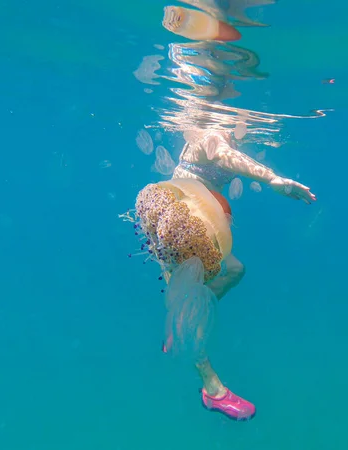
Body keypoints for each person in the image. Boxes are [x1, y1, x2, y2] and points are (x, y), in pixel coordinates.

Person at [127, 129, 316, 421]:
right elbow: (219, 152)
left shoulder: (230, 134)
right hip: (180, 222)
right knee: (190, 299)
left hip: (198, 224)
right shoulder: (209, 134)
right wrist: (271, 178)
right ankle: (212, 389)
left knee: (235, 270)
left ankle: (182, 323)